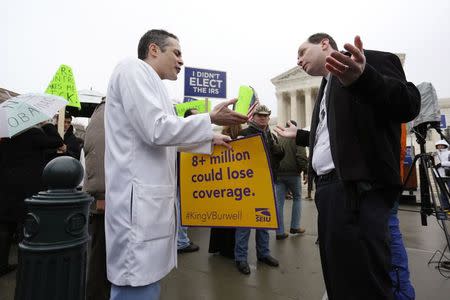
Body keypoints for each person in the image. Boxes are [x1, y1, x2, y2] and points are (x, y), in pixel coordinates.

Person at [275, 33, 420, 300]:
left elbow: (409, 104)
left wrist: (365, 79)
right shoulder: (326, 86)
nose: (298, 61)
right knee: (340, 276)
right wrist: (302, 136)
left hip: (360, 189)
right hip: (329, 190)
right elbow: (334, 137)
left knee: (368, 281)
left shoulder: (371, 61)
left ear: (324, 44)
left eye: (301, 52)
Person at [104, 29, 247, 300]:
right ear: (154, 50)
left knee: (146, 283)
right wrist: (209, 119)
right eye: (177, 53)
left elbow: (165, 137)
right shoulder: (132, 69)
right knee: (135, 283)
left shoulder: (154, 84)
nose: (181, 61)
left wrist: (209, 138)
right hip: (138, 204)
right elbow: (156, 130)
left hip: (149, 203)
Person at [0, 123, 64, 277]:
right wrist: (48, 125)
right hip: (27, 189)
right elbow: (57, 141)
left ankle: (1, 265)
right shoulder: (34, 135)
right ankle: (26, 265)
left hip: (5, 187)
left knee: (5, 228)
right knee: (25, 227)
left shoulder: (6, 137)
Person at [234, 104, 284, 275]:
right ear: (253, 117)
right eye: (260, 116)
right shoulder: (244, 134)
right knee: (245, 223)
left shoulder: (270, 134)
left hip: (268, 182)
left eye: (266, 116)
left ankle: (263, 254)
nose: (263, 118)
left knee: (264, 221)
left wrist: (278, 148)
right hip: (248, 185)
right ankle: (241, 258)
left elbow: (278, 156)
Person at [82, 98, 111, 300]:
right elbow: (98, 150)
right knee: (102, 256)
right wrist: (102, 194)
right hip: (109, 199)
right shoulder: (109, 109)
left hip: (117, 197)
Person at [208, 124, 242, 259]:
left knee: (220, 218)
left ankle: (217, 246)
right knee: (233, 219)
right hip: (236, 184)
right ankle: (229, 249)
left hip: (220, 184)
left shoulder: (219, 140)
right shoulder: (242, 140)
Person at [275, 120, 307, 240]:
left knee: (279, 203)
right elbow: (301, 156)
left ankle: (279, 232)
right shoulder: (297, 138)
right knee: (297, 198)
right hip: (293, 174)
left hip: (279, 174)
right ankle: (295, 226)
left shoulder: (278, 138)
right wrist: (306, 170)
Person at [176, 108, 200, 254]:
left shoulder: (188, 133)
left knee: (182, 210)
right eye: (196, 116)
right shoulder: (184, 134)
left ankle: (182, 238)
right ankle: (181, 241)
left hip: (186, 179)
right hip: (180, 179)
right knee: (180, 211)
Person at [434, 139, 450, 210]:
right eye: (438, 145)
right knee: (442, 192)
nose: (440, 147)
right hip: (439, 175)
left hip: (448, 175)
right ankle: (445, 206)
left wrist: (442, 164)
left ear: (445, 146)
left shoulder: (449, 153)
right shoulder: (435, 154)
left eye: (441, 145)